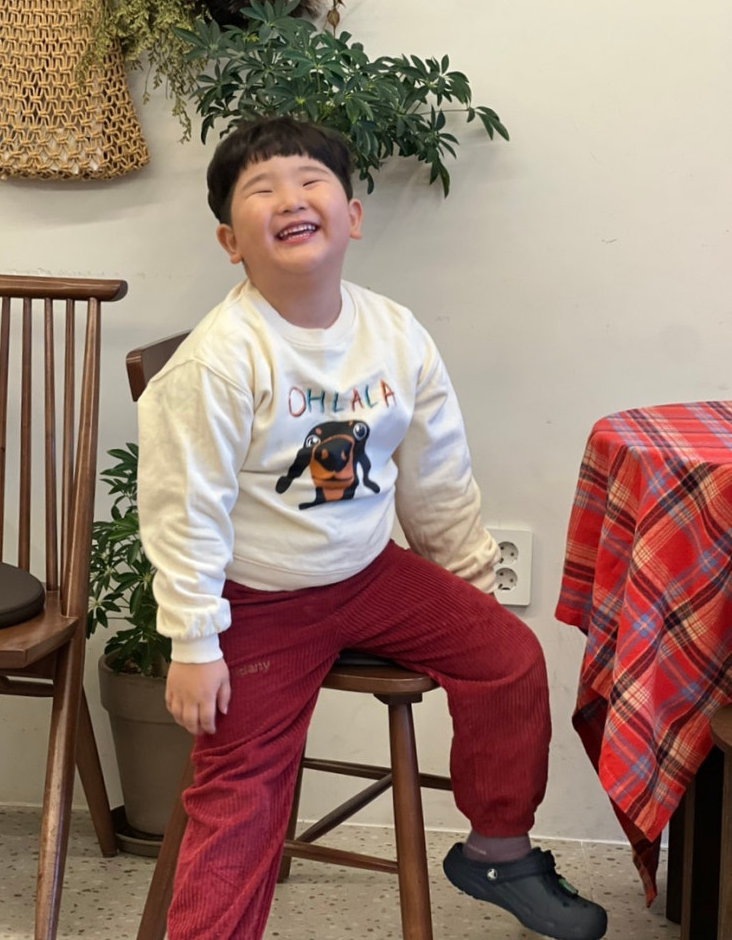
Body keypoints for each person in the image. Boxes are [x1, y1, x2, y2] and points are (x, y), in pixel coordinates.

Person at [137, 116, 608, 940]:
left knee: (508, 658)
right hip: (258, 597)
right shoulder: (220, 360)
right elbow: (184, 508)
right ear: (230, 241)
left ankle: (498, 850)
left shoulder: (394, 333)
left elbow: (435, 474)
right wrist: (194, 640)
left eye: (310, 180)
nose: (291, 197)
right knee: (242, 790)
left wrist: (467, 586)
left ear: (351, 215)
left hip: (369, 574)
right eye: (261, 189)